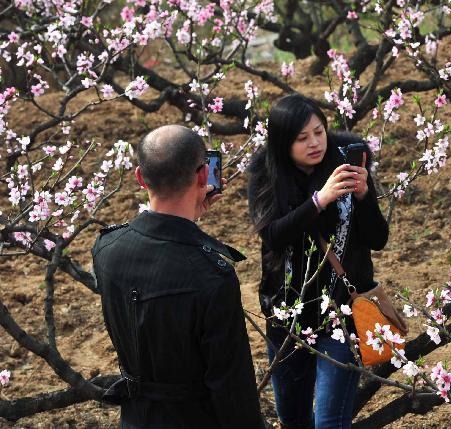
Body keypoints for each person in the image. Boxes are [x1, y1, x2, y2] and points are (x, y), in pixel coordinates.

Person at [92, 125, 264, 429]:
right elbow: (232, 388)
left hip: (135, 419)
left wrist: (190, 216)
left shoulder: (106, 248)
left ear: (140, 178)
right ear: (202, 177)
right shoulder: (211, 276)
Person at [247, 94, 389, 429]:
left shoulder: (348, 154)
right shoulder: (265, 169)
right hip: (287, 316)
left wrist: (365, 196)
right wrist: (320, 200)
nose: (314, 143)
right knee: (293, 419)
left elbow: (378, 239)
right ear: (283, 143)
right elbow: (272, 235)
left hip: (340, 316)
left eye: (319, 132)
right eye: (302, 138)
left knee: (329, 422)